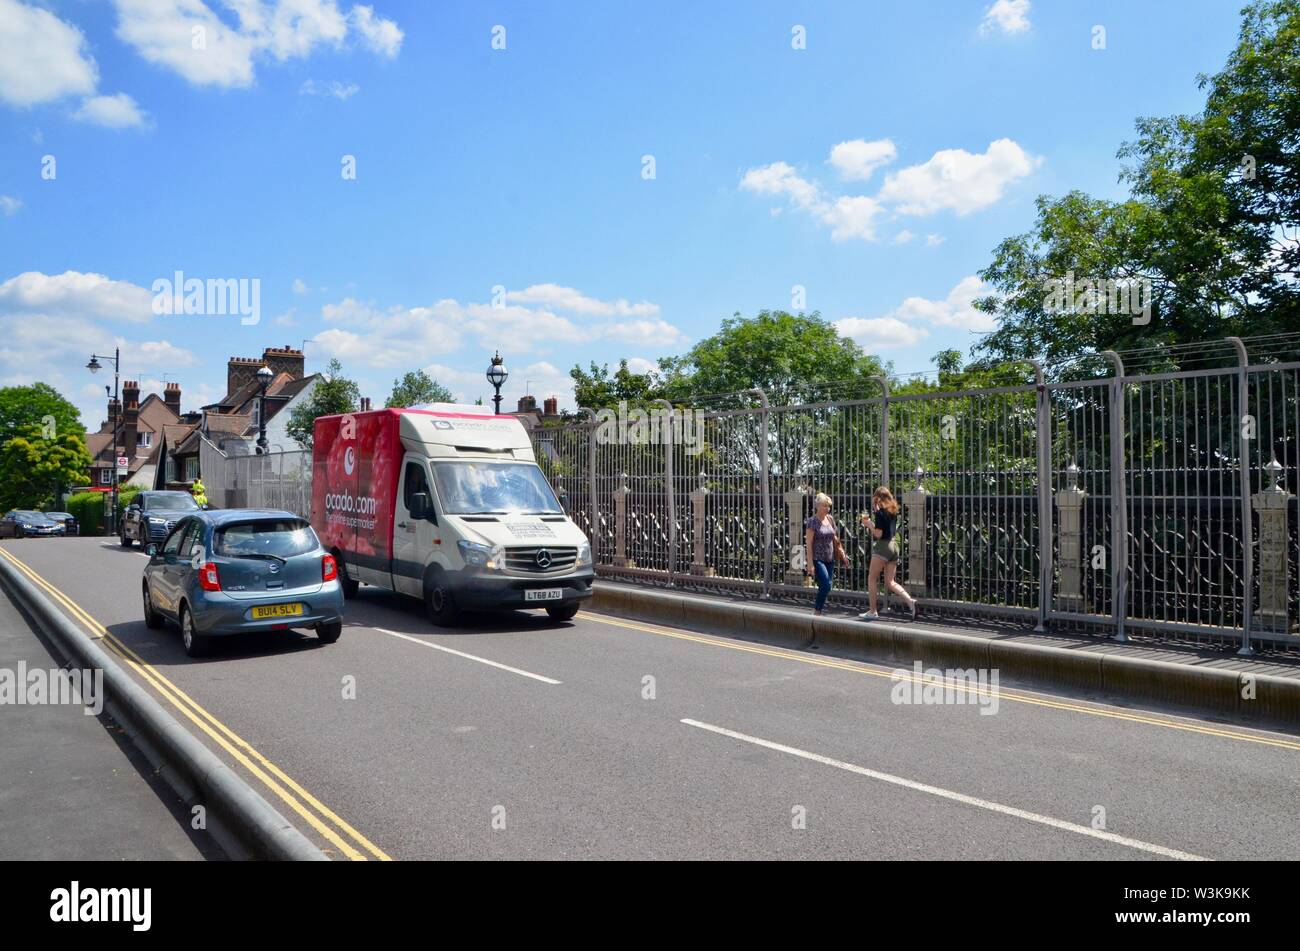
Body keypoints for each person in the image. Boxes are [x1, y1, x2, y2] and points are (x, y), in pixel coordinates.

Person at [858, 486, 918, 621]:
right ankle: (910, 601)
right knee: (890, 582)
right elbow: (886, 529)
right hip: (894, 546)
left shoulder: (880, 514)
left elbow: (878, 534)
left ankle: (873, 611)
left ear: (878, 498)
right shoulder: (893, 511)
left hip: (883, 547)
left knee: (872, 579)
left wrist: (869, 525)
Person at [804, 492, 848, 615]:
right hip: (818, 558)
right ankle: (817, 610)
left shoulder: (830, 519)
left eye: (828, 506)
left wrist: (842, 553)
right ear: (817, 506)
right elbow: (809, 543)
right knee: (826, 585)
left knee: (825, 586)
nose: (827, 508)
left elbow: (835, 538)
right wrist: (810, 563)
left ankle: (817, 610)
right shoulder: (812, 521)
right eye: (824, 506)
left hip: (830, 557)